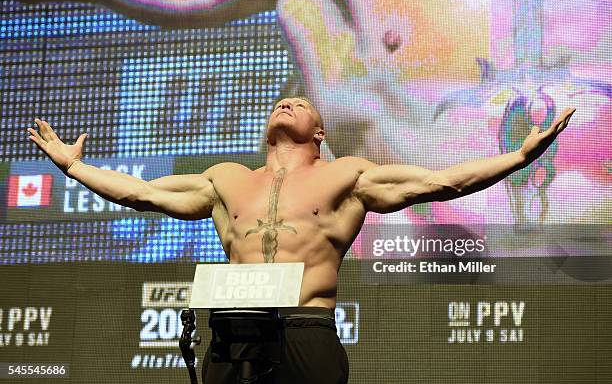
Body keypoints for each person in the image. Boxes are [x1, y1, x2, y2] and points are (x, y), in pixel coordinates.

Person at [26, 98, 575, 383]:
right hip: (232, 333)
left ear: (319, 134)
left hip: (305, 328)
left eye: (301, 104)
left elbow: (440, 182)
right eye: (281, 103)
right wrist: (76, 169)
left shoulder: (347, 175)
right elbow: (141, 193)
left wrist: (520, 157)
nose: (287, 104)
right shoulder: (225, 179)